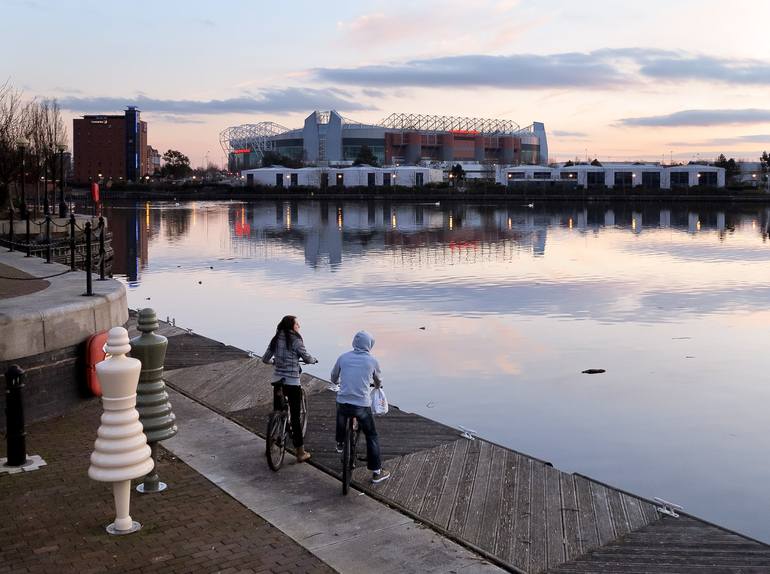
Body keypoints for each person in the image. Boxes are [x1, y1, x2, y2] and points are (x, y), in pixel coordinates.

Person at [331, 330, 390, 484]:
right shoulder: (372, 361)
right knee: (371, 435)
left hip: (343, 401)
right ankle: (377, 472)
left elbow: (333, 376)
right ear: (369, 345)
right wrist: (377, 385)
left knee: (341, 413)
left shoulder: (343, 357)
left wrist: (337, 382)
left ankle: (339, 443)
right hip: (361, 405)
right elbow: (378, 381)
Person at [262, 315, 317, 462]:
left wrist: (275, 361)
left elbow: (265, 359)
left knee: (278, 411)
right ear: (292, 326)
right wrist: (313, 360)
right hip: (292, 382)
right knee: (295, 418)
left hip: (277, 381)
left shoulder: (275, 339)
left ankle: (271, 443)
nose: (299, 326)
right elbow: (306, 358)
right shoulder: (296, 341)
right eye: (297, 324)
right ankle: (300, 453)